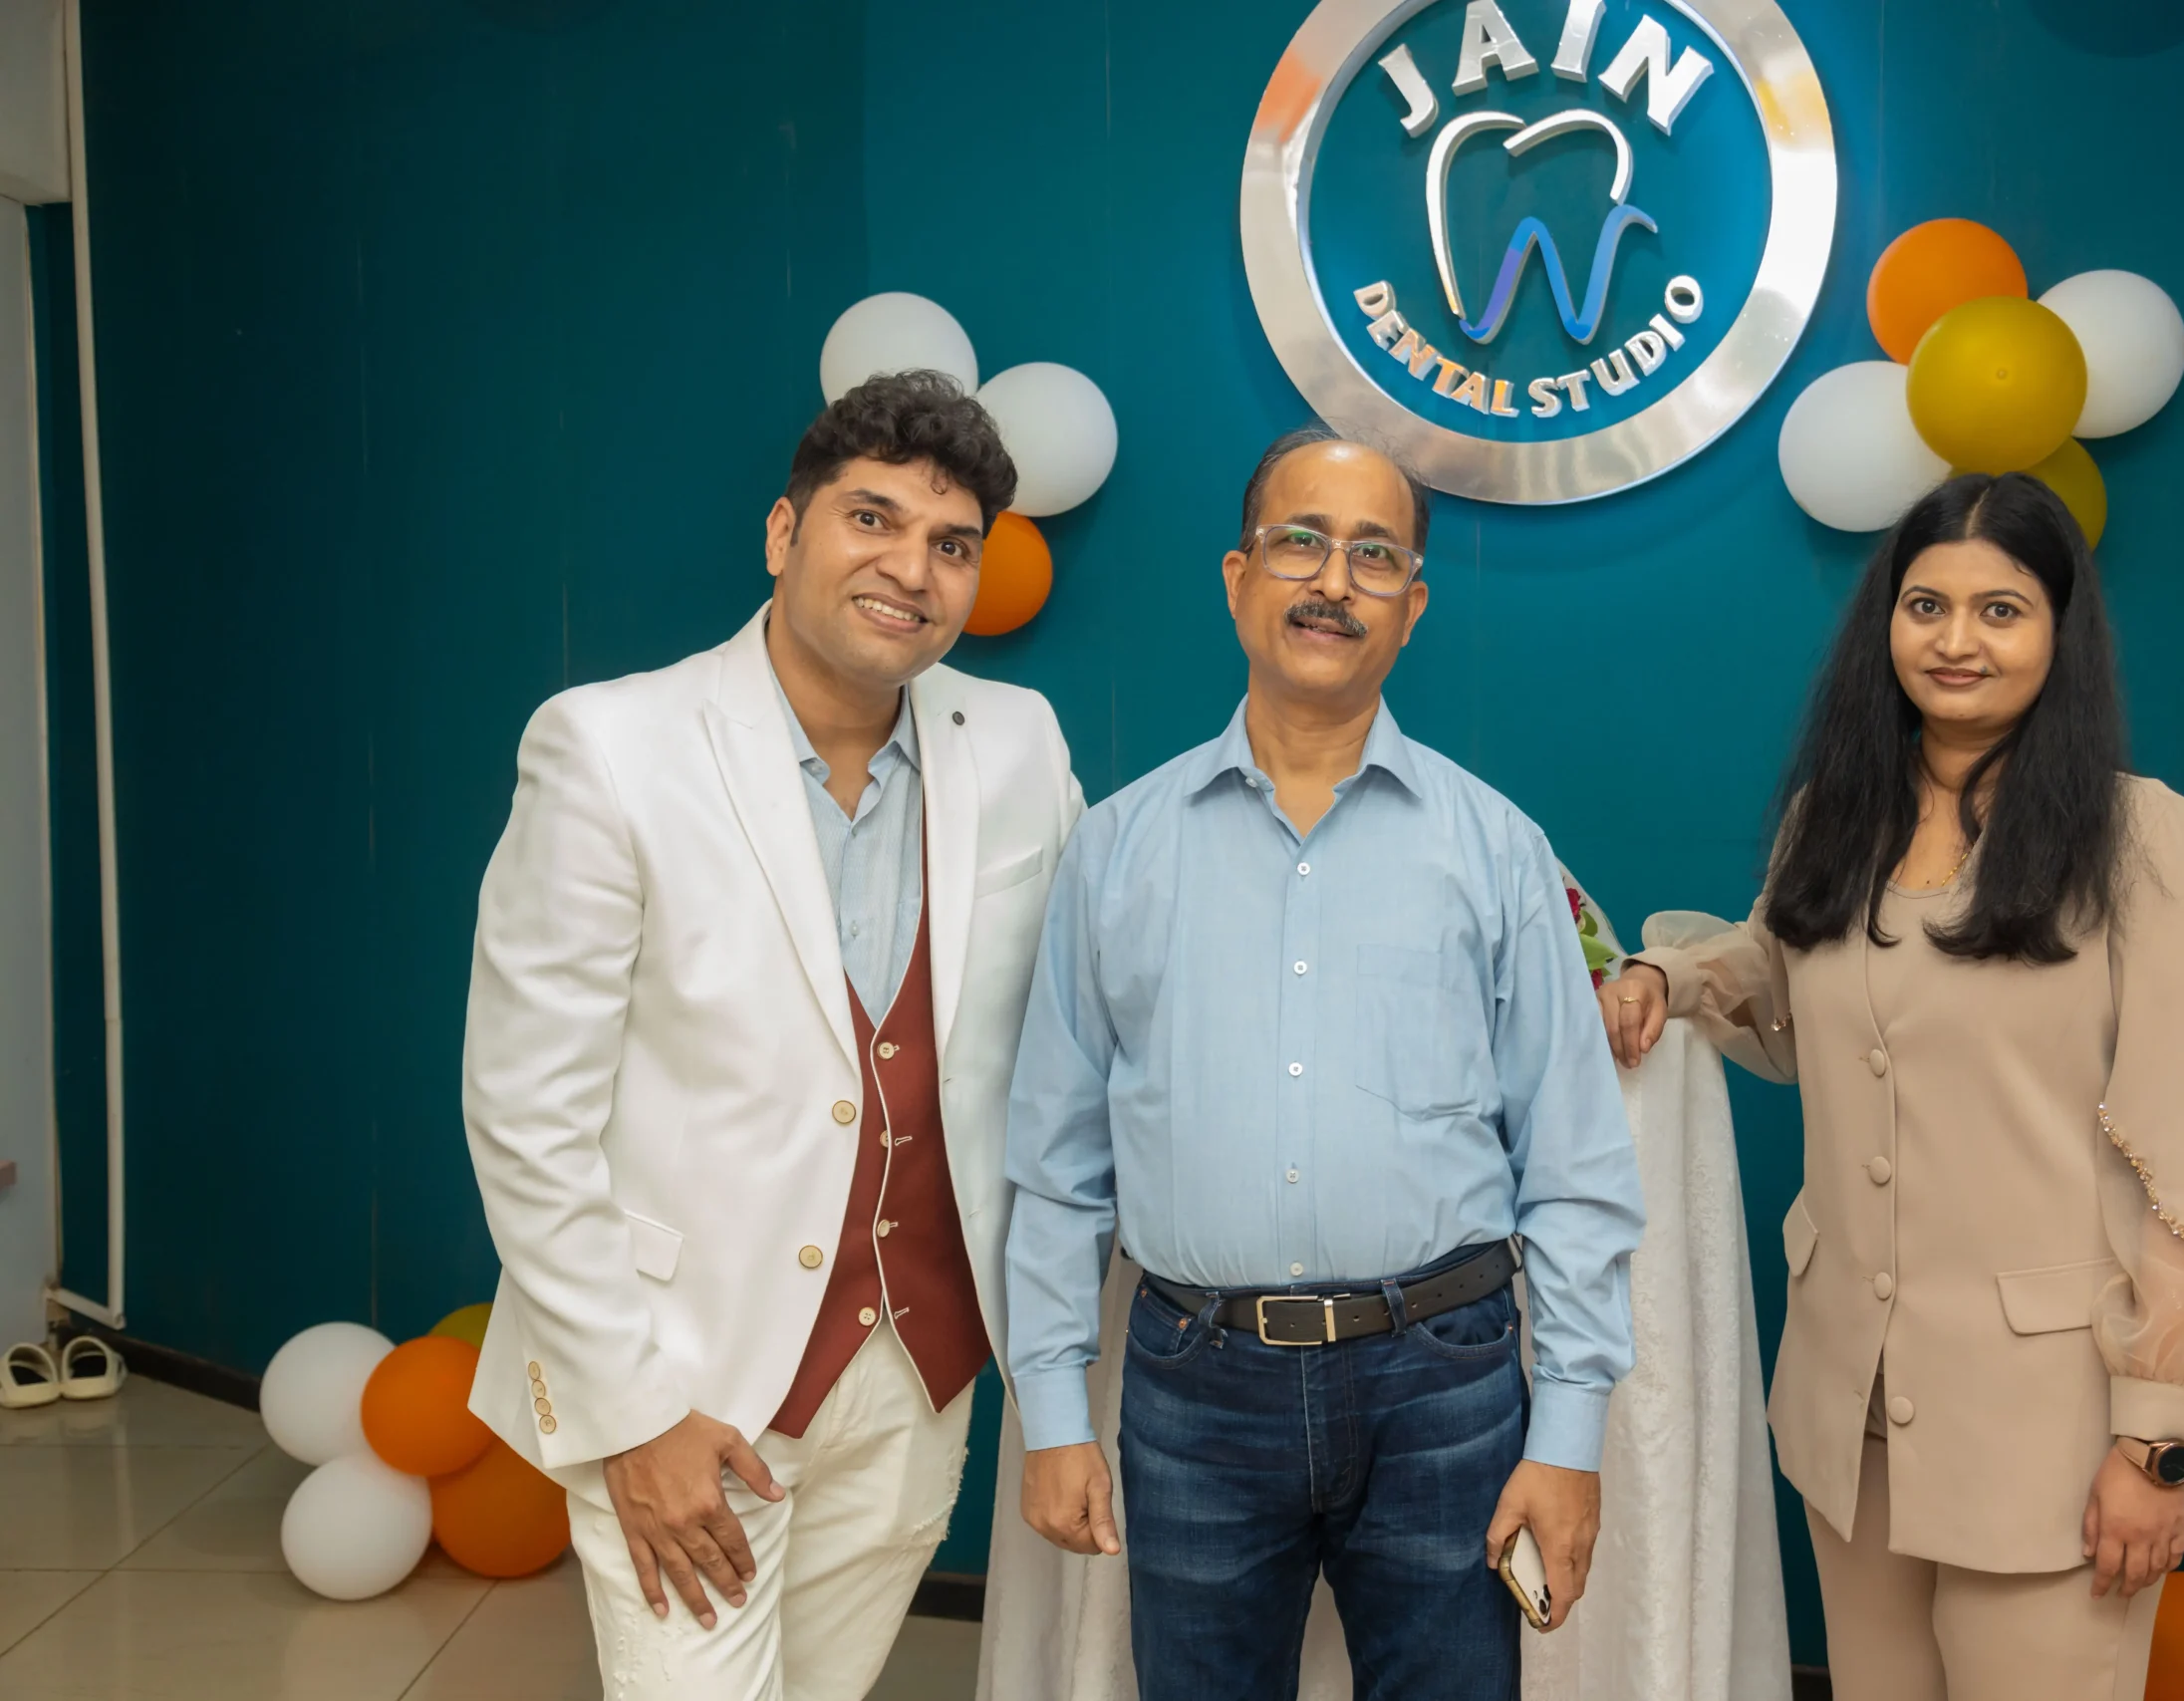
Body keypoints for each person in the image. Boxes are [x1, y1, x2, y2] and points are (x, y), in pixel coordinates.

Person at [1600, 472, 2184, 1700]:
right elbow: (1782, 965)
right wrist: (1670, 974)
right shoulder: (1832, 820)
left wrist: (2158, 1435)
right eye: (1926, 605)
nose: (1955, 640)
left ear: (2061, 631)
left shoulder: (2148, 844)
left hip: (2052, 1438)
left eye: (2000, 610)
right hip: (1848, 1417)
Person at [460, 371, 1082, 1700]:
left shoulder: (1017, 740)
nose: (911, 568)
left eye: (951, 543)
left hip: (918, 1377)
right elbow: (526, 1118)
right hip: (687, 1382)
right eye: (872, 518)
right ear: (783, 532)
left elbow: (1104, 978)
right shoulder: (611, 746)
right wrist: (632, 1413)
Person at [1002, 426, 1646, 1700]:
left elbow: (1573, 1163)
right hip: (1194, 1388)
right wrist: (1054, 1411)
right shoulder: (1118, 850)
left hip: (1445, 1387)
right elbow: (1057, 1159)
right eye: (1300, 542)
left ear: (1413, 606)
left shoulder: (1495, 849)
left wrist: (1569, 1434)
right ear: (1238, 577)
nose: (1333, 581)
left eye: (1373, 555)